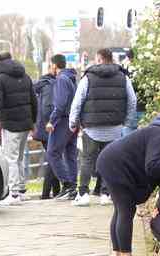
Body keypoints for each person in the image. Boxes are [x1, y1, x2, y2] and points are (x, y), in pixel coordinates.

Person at [96, 115, 160, 256]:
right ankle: (126, 253)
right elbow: (152, 166)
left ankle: (118, 252)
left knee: (121, 210)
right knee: (126, 210)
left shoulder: (159, 133)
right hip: (114, 165)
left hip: (109, 160)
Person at [69, 48, 137, 206]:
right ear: (111, 59)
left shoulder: (88, 77)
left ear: (99, 59)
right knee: (110, 160)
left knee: (87, 160)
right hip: (115, 127)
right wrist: (126, 121)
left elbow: (77, 101)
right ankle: (106, 194)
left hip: (91, 128)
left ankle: (83, 194)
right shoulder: (123, 77)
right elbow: (132, 100)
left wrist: (73, 122)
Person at [0, 52, 37, 205]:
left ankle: (13, 194)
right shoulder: (25, 77)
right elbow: (34, 101)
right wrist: (33, 122)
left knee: (10, 158)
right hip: (26, 124)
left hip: (11, 124)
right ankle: (21, 190)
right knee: (19, 158)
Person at [46, 54, 78, 201]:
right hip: (73, 121)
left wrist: (51, 121)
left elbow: (60, 104)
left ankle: (67, 185)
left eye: (50, 64)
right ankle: (73, 187)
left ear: (55, 65)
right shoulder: (72, 78)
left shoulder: (61, 79)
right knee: (70, 154)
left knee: (52, 153)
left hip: (63, 121)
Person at [33, 67, 60, 199]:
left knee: (52, 158)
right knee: (53, 158)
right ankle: (46, 192)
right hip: (49, 128)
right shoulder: (50, 85)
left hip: (44, 128)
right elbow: (48, 109)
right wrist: (52, 122)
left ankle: (56, 191)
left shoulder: (43, 84)